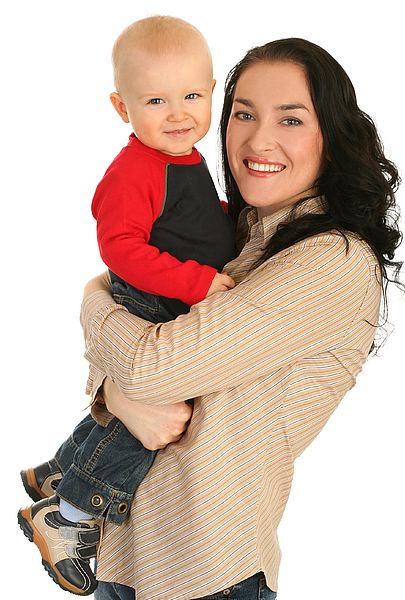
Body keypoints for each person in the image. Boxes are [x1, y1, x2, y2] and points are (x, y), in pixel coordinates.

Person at [76, 37, 403, 600]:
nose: (258, 139)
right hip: (123, 555)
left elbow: (153, 366)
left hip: (207, 573)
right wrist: (114, 391)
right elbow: (138, 349)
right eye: (243, 114)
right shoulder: (238, 237)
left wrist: (90, 303)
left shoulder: (333, 260)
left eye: (291, 119)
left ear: (333, 135)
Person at [17, 15, 236, 596]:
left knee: (138, 411)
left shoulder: (181, 155)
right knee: (154, 421)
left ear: (212, 91)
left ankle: (60, 469)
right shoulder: (137, 168)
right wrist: (198, 283)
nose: (179, 113)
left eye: (192, 95)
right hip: (154, 302)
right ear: (122, 108)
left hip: (169, 295)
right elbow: (120, 249)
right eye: (156, 100)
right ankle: (70, 514)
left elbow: (182, 218)